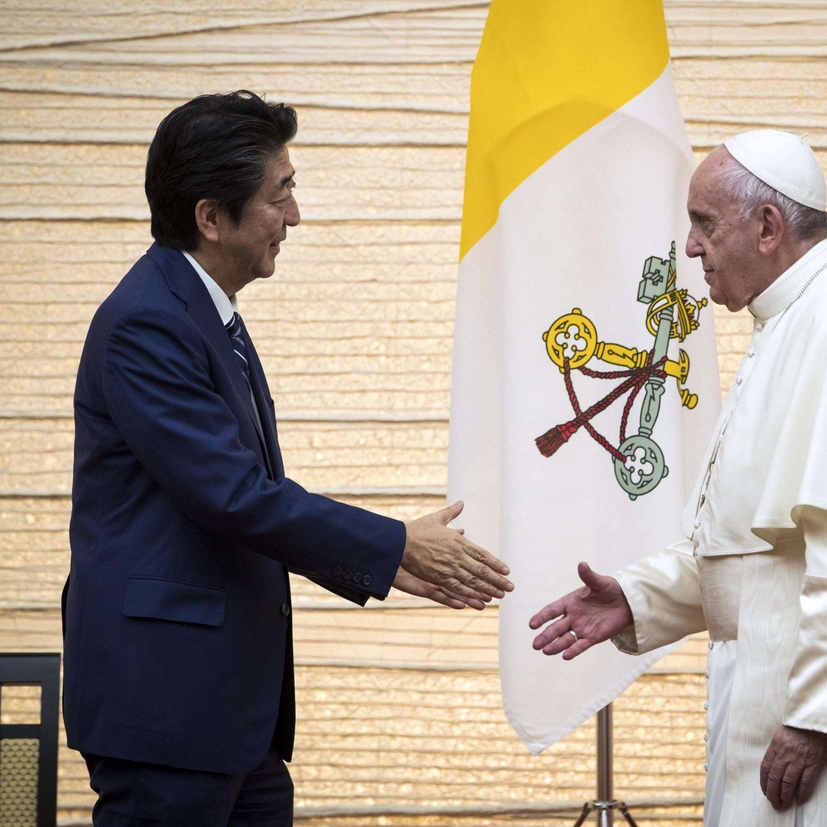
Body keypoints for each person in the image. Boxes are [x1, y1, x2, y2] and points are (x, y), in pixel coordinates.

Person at [63, 91, 513, 825]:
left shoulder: (204, 315)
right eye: (281, 194)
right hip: (168, 708)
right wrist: (394, 543)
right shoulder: (145, 323)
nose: (295, 216)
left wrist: (391, 560)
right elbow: (233, 497)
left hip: (230, 716)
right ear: (211, 216)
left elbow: (250, 496)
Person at [529, 130, 827, 826]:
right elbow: (756, 546)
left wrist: (815, 717)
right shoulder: (793, 321)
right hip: (795, 689)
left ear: (768, 227)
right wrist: (635, 597)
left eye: (703, 224)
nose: (689, 247)